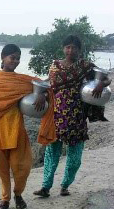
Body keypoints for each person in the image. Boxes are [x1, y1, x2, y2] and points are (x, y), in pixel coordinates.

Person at [33, 35, 111, 198]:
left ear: (79, 50)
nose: (70, 50)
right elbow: (49, 83)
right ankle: (45, 187)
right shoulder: (54, 66)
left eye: (74, 47)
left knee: (75, 156)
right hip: (55, 115)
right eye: (67, 47)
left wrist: (99, 84)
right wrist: (40, 92)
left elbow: (106, 78)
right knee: (51, 153)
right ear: (63, 48)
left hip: (76, 115)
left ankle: (65, 185)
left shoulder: (85, 66)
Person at [0, 44, 51, 209]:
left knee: (22, 167)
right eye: (12, 57)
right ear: (3, 58)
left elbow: (44, 86)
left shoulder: (22, 81)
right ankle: (5, 199)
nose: (15, 61)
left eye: (18, 58)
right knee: (2, 168)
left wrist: (41, 94)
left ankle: (18, 194)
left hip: (17, 129)